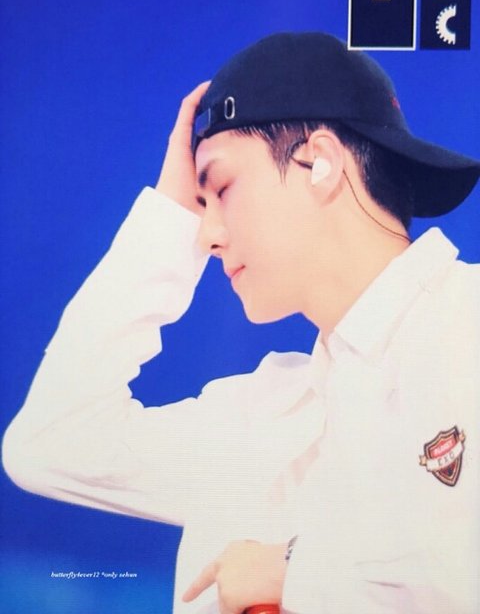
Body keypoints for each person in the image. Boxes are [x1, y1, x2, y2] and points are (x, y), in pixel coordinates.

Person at [2, 32, 480, 614]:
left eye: (222, 189)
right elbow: (48, 446)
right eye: (199, 206)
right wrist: (169, 216)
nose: (206, 237)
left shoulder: (467, 320)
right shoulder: (264, 416)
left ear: (321, 162)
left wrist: (297, 572)